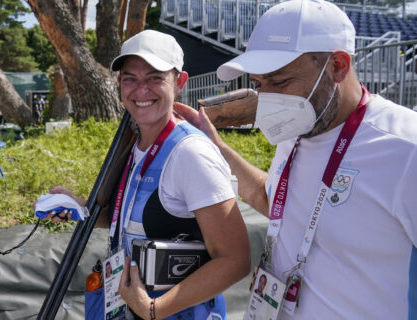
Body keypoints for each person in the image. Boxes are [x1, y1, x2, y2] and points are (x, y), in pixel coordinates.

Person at [174, 0, 417, 318]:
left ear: (338, 66)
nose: (269, 98)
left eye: (280, 81)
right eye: (259, 84)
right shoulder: (300, 124)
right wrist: (215, 144)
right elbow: (274, 200)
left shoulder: (405, 148)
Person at [45, 30, 251, 319]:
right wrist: (80, 206)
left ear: (179, 82)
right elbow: (132, 221)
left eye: (155, 77)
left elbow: (235, 259)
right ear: (119, 83)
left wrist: (153, 309)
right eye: (130, 78)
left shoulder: (191, 154)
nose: (141, 90)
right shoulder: (134, 142)